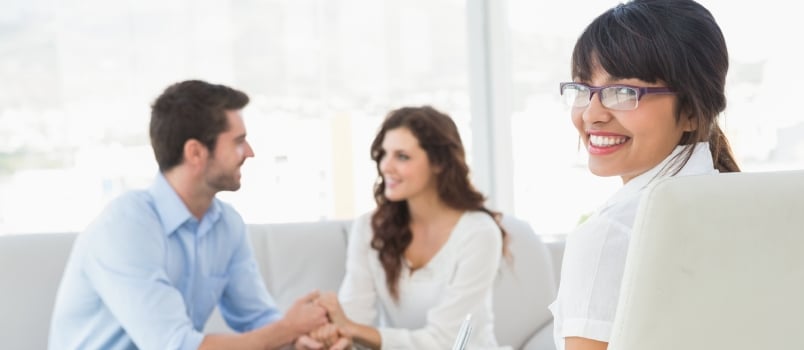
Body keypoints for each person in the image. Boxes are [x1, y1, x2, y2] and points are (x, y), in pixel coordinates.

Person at [48, 80, 343, 350]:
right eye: (238, 141)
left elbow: (258, 319)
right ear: (196, 153)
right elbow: (175, 346)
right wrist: (287, 329)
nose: (249, 152)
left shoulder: (226, 225)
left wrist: (304, 339)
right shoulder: (126, 225)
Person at [549, 1, 741, 349]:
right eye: (582, 89)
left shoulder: (611, 235)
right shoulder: (744, 206)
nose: (591, 115)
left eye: (623, 92)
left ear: (693, 113)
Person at [303, 106, 511, 349]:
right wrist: (331, 334)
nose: (386, 166)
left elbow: (446, 341)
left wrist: (352, 330)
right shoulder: (370, 228)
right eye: (383, 154)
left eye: (402, 156)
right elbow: (352, 319)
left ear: (439, 163)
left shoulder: (479, 233)